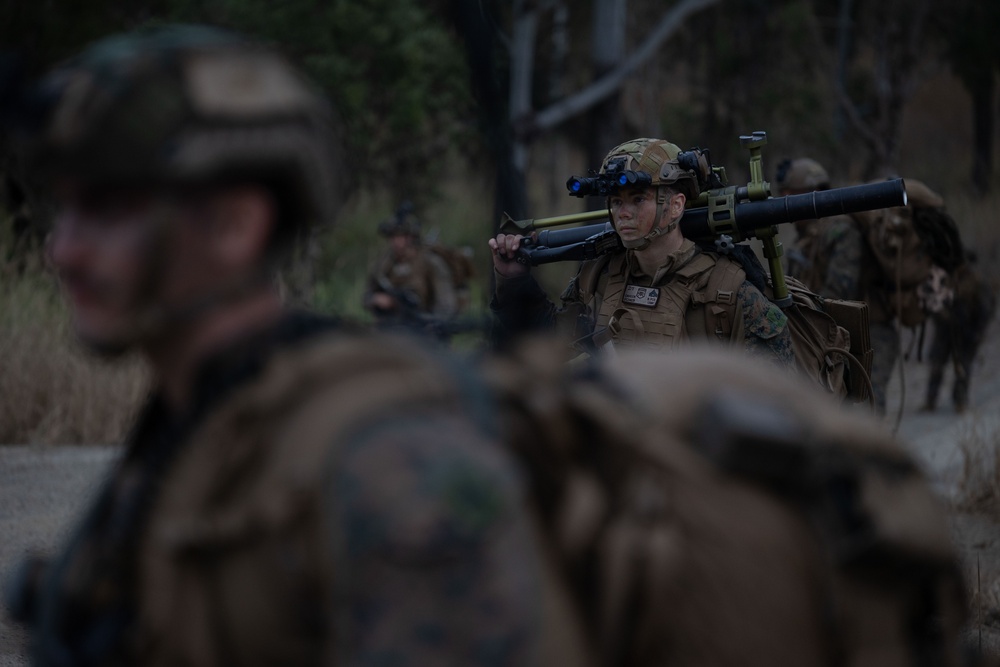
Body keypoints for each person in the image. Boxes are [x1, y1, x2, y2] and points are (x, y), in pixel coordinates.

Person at [2, 26, 558, 666]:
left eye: (109, 208)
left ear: (235, 226)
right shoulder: (197, 422)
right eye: (64, 209)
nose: (62, 250)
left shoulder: (383, 463)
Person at [489, 137, 793, 367]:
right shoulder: (600, 276)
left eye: (638, 200)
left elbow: (773, 402)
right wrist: (513, 281)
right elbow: (550, 347)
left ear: (676, 206)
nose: (624, 213)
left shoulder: (726, 291)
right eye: (617, 202)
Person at [775, 158, 863, 301]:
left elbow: (838, 297)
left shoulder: (842, 231)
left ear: (813, 193)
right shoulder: (807, 234)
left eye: (791, 193)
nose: (784, 200)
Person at [363, 203, 460, 330]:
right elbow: (366, 296)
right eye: (393, 236)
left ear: (411, 237)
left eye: (401, 236)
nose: (396, 242)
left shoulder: (430, 262)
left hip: (423, 329)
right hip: (390, 328)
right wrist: (375, 300)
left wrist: (433, 325)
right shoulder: (384, 263)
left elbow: (447, 305)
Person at [921, 253, 997, 413]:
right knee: (937, 364)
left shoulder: (976, 282)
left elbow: (985, 308)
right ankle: (931, 400)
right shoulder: (943, 280)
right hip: (945, 330)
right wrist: (941, 317)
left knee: (963, 367)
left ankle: (959, 401)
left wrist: (977, 331)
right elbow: (931, 302)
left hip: (966, 331)